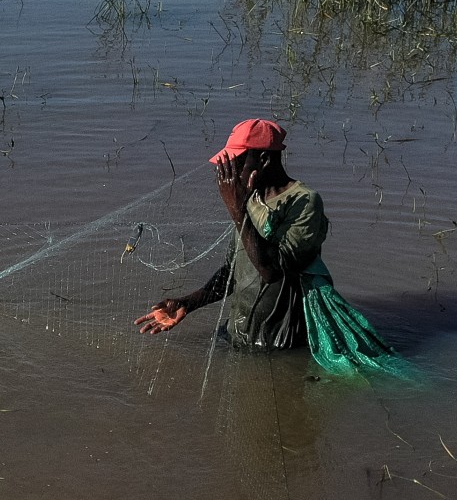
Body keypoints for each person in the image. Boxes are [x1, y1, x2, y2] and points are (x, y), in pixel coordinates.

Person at [135, 119, 400, 377]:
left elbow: (273, 270)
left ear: (263, 159)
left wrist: (238, 211)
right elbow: (234, 271)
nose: (229, 173)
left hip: (280, 345)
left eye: (237, 163)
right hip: (239, 333)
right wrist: (188, 304)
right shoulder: (250, 198)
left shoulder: (303, 202)